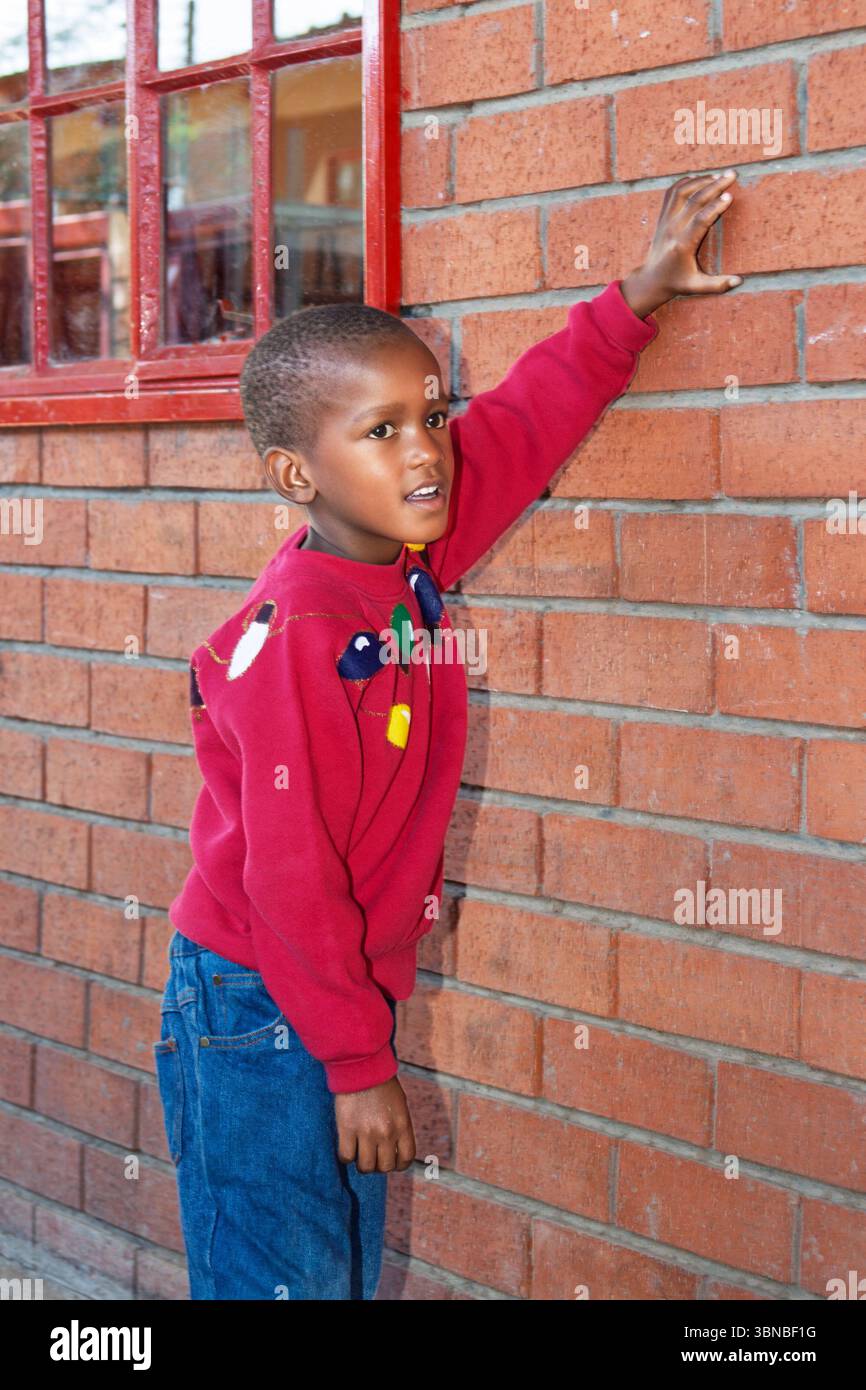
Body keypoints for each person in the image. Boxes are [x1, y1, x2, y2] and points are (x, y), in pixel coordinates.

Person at [153, 171, 743, 1300]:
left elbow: (519, 426)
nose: (424, 449)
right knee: (279, 1282)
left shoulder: (404, 563)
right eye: (379, 431)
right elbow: (288, 876)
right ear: (296, 477)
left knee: (339, 1274)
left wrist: (638, 297)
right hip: (258, 1006)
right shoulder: (295, 639)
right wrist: (359, 1064)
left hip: (330, 1004)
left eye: (428, 414)